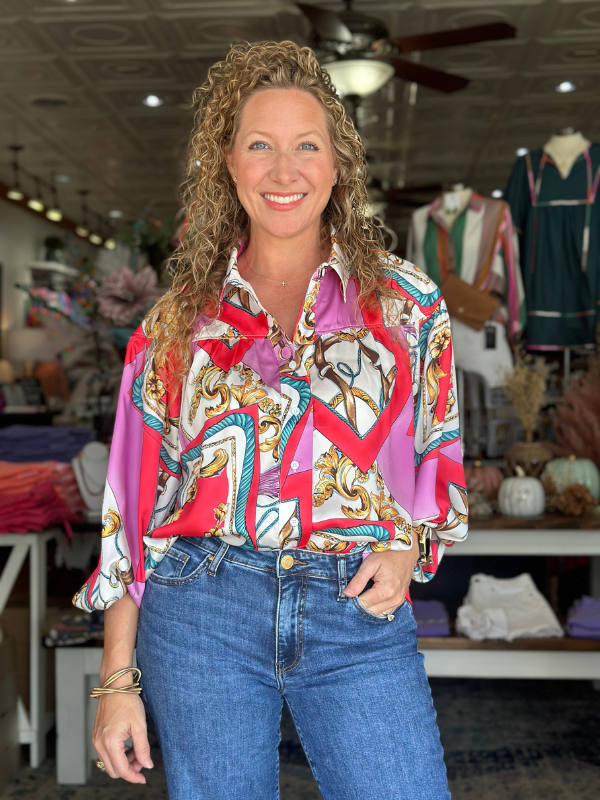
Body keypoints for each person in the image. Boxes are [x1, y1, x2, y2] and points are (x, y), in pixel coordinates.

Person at [74, 40, 468, 800]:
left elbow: (438, 454)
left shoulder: (406, 307)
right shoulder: (172, 327)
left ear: (337, 164)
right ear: (229, 162)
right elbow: (130, 512)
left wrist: (406, 547)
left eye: (306, 147)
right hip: (201, 611)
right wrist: (116, 682)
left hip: (354, 608)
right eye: (260, 146)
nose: (283, 171)